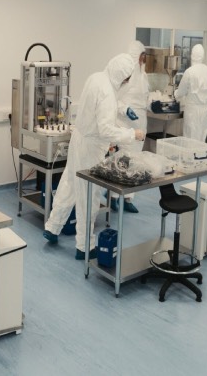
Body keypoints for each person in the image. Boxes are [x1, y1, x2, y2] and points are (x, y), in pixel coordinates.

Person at [43, 53, 146, 259]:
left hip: (79, 139)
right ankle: (84, 247)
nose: (126, 82)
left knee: (70, 184)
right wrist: (131, 134)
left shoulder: (97, 78)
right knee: (88, 196)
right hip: (90, 147)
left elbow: (104, 102)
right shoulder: (107, 91)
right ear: (120, 75)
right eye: (126, 79)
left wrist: (124, 108)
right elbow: (106, 129)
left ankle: (53, 227)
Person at [109, 41, 149, 213]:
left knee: (135, 161)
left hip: (140, 123)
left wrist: (151, 104)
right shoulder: (126, 75)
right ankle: (113, 196)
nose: (143, 59)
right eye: (142, 55)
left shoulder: (143, 76)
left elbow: (145, 98)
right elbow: (114, 99)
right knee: (121, 160)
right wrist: (125, 109)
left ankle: (128, 198)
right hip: (124, 123)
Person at [174, 44, 207, 142]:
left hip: (192, 111)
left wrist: (175, 93)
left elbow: (181, 91)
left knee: (190, 139)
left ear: (192, 55)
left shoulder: (189, 72)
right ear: (203, 56)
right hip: (204, 110)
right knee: (201, 139)